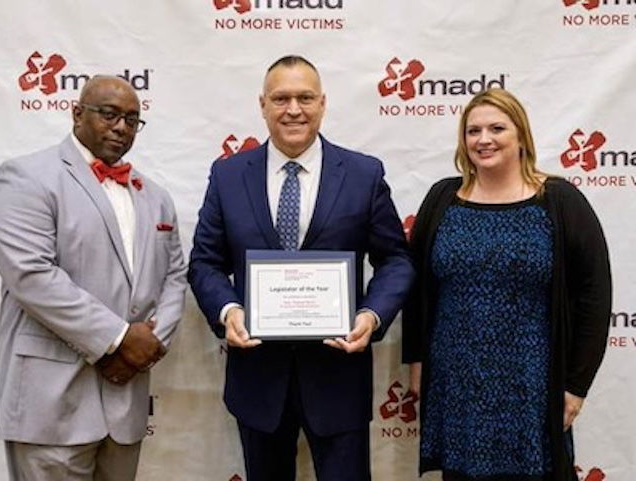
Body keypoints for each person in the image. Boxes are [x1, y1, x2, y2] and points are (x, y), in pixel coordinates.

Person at [188, 55, 414, 481]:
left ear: (323, 103)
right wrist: (228, 311)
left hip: (338, 376)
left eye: (305, 97)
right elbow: (204, 262)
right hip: (258, 380)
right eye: (281, 98)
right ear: (263, 105)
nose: (294, 109)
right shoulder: (228, 175)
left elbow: (396, 260)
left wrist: (370, 314)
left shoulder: (364, 174)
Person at [0, 75, 187, 481]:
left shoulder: (156, 196)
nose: (121, 127)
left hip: (124, 399)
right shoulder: (27, 176)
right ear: (76, 113)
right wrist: (118, 340)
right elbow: (31, 274)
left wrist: (147, 345)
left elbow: (175, 277)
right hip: (51, 400)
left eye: (132, 120)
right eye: (109, 114)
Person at [403, 88, 611, 481]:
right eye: (473, 130)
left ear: (521, 136)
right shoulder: (443, 198)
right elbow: (416, 287)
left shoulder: (559, 200)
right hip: (456, 380)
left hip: (531, 383)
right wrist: (416, 360)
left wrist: (576, 385)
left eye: (497, 128)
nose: (484, 139)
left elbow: (594, 295)